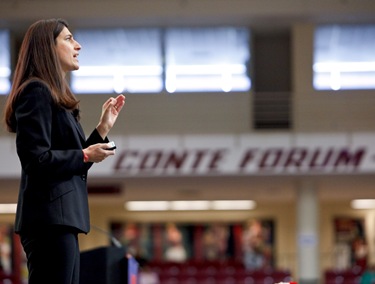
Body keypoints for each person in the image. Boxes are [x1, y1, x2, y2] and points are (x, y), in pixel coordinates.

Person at [2, 18, 125, 284]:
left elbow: (74, 160)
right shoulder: (36, 91)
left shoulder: (54, 96)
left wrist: (102, 129)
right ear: (48, 47)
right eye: (69, 39)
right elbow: (37, 159)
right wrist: (84, 155)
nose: (78, 46)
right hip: (49, 222)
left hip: (59, 221)